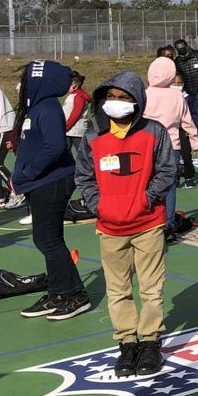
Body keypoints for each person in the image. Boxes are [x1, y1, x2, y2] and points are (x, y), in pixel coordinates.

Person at [75, 71, 178, 377]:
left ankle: (149, 342)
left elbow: (166, 171)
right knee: (118, 290)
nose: (116, 103)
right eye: (111, 97)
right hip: (110, 227)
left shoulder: (153, 132)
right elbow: (84, 177)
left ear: (137, 101)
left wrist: (146, 199)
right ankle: (126, 343)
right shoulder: (93, 137)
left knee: (151, 288)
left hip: (148, 223)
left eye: (124, 98)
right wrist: (100, 206)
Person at [11, 60, 92, 320]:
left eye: (26, 79)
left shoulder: (46, 108)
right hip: (39, 183)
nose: (22, 85)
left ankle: (75, 294)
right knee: (46, 239)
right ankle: (57, 292)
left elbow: (55, 147)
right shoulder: (34, 109)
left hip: (51, 181)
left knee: (48, 239)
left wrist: (28, 172)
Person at [142, 57, 198, 233]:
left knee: (146, 182)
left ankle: (148, 218)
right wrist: (195, 141)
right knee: (170, 184)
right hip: (171, 144)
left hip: (146, 143)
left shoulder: (144, 93)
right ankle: (167, 221)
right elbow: (187, 120)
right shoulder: (177, 95)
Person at [172, 38, 198, 129]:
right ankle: (190, 129)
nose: (181, 50)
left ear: (186, 46)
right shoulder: (178, 61)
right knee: (188, 110)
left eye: (182, 47)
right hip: (186, 88)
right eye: (178, 49)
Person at [62, 71, 90, 160]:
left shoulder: (79, 96)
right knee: (65, 152)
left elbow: (76, 113)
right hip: (68, 130)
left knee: (82, 153)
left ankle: (86, 170)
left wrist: (67, 125)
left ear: (76, 84)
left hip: (76, 130)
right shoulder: (72, 95)